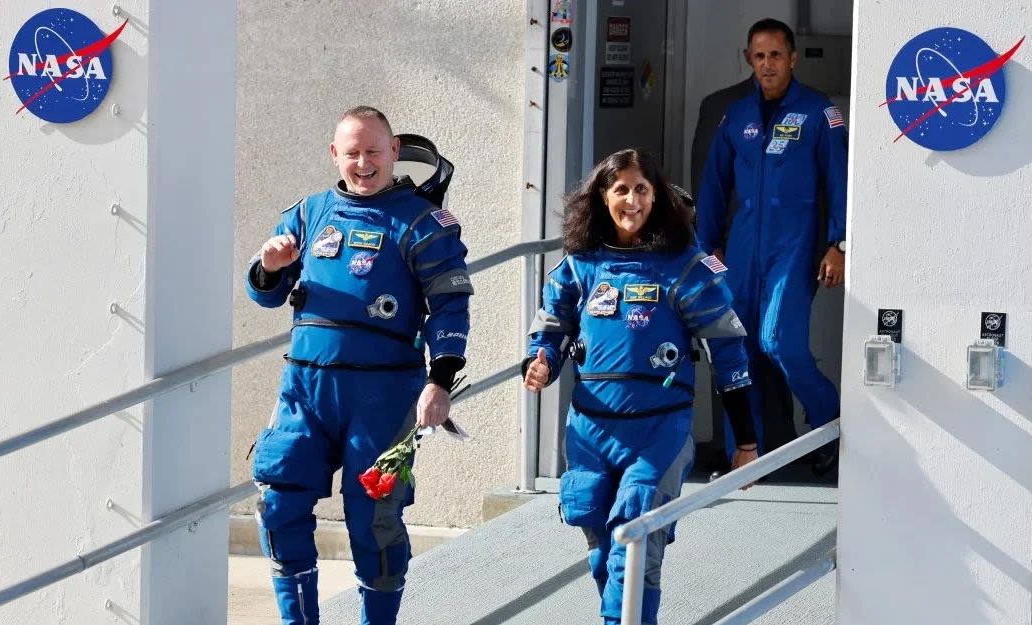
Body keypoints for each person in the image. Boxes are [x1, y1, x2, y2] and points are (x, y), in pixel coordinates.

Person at [245, 106, 472, 625]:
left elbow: (451, 308)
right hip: (305, 390)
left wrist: (439, 383)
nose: (363, 163)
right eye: (353, 153)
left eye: (374, 151)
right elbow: (266, 294)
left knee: (374, 519)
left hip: (386, 395)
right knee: (279, 507)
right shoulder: (307, 213)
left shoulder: (423, 222)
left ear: (394, 152)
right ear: (335, 155)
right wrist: (269, 268)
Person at [522, 148, 759, 625]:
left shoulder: (685, 267)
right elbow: (551, 329)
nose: (632, 200)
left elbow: (729, 355)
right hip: (589, 430)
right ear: (601, 198)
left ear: (659, 196)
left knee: (634, 547)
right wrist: (542, 360)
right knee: (599, 548)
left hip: (658, 432)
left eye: (642, 189)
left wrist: (746, 442)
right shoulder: (579, 265)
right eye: (621, 189)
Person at [696, 18, 847, 475]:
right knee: (735, 349)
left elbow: (840, 183)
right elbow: (713, 187)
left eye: (776, 55)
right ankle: (747, 456)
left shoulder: (821, 113)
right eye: (759, 56)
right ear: (748, 60)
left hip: (795, 244)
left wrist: (838, 243)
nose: (768, 65)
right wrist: (708, 249)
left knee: (779, 341)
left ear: (793, 58)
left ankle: (831, 421)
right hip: (741, 248)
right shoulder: (735, 116)